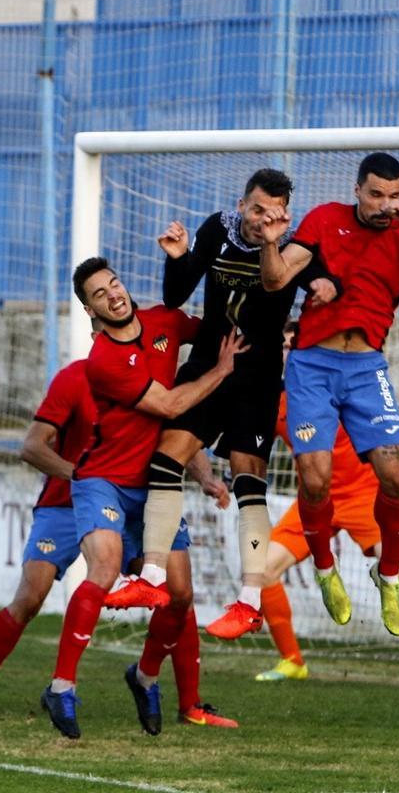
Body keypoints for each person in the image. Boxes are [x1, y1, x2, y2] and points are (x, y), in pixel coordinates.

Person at [0, 325, 234, 729]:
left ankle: (190, 704)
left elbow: (175, 440)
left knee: (176, 591)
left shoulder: (153, 382)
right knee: (30, 598)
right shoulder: (75, 378)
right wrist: (82, 476)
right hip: (68, 503)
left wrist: (204, 476)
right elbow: (32, 445)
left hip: (136, 500)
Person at [110, 169, 339, 642]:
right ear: (241, 205)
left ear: (285, 214)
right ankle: (152, 577)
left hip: (255, 379)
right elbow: (176, 296)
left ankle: (249, 601)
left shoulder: (294, 245)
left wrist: (323, 287)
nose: (262, 220)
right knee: (165, 459)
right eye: (257, 210)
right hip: (207, 368)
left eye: (273, 213)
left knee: (247, 481)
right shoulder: (217, 230)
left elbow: (319, 281)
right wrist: (177, 259)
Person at [259, 152, 399, 638]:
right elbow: (275, 278)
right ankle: (324, 568)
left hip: (366, 367)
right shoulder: (324, 219)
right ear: (357, 189)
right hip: (312, 364)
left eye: (393, 196)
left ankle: (390, 577)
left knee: (397, 475)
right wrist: (274, 244)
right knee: (315, 478)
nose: (384, 205)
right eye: (376, 194)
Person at [39, 256, 249, 739]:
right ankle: (62, 686)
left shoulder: (163, 321)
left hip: (156, 484)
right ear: (91, 312)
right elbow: (172, 405)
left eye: (113, 283)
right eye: (99, 293)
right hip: (103, 480)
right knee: (106, 567)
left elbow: (219, 328)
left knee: (180, 596)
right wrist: (221, 371)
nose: (113, 294)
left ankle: (145, 675)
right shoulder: (103, 362)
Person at [256, 354, 399, 690]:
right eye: (282, 345)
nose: (286, 351)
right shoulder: (274, 401)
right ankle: (292, 661)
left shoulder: (338, 381)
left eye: (292, 344)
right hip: (316, 499)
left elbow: (390, 439)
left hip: (363, 494)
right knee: (263, 570)